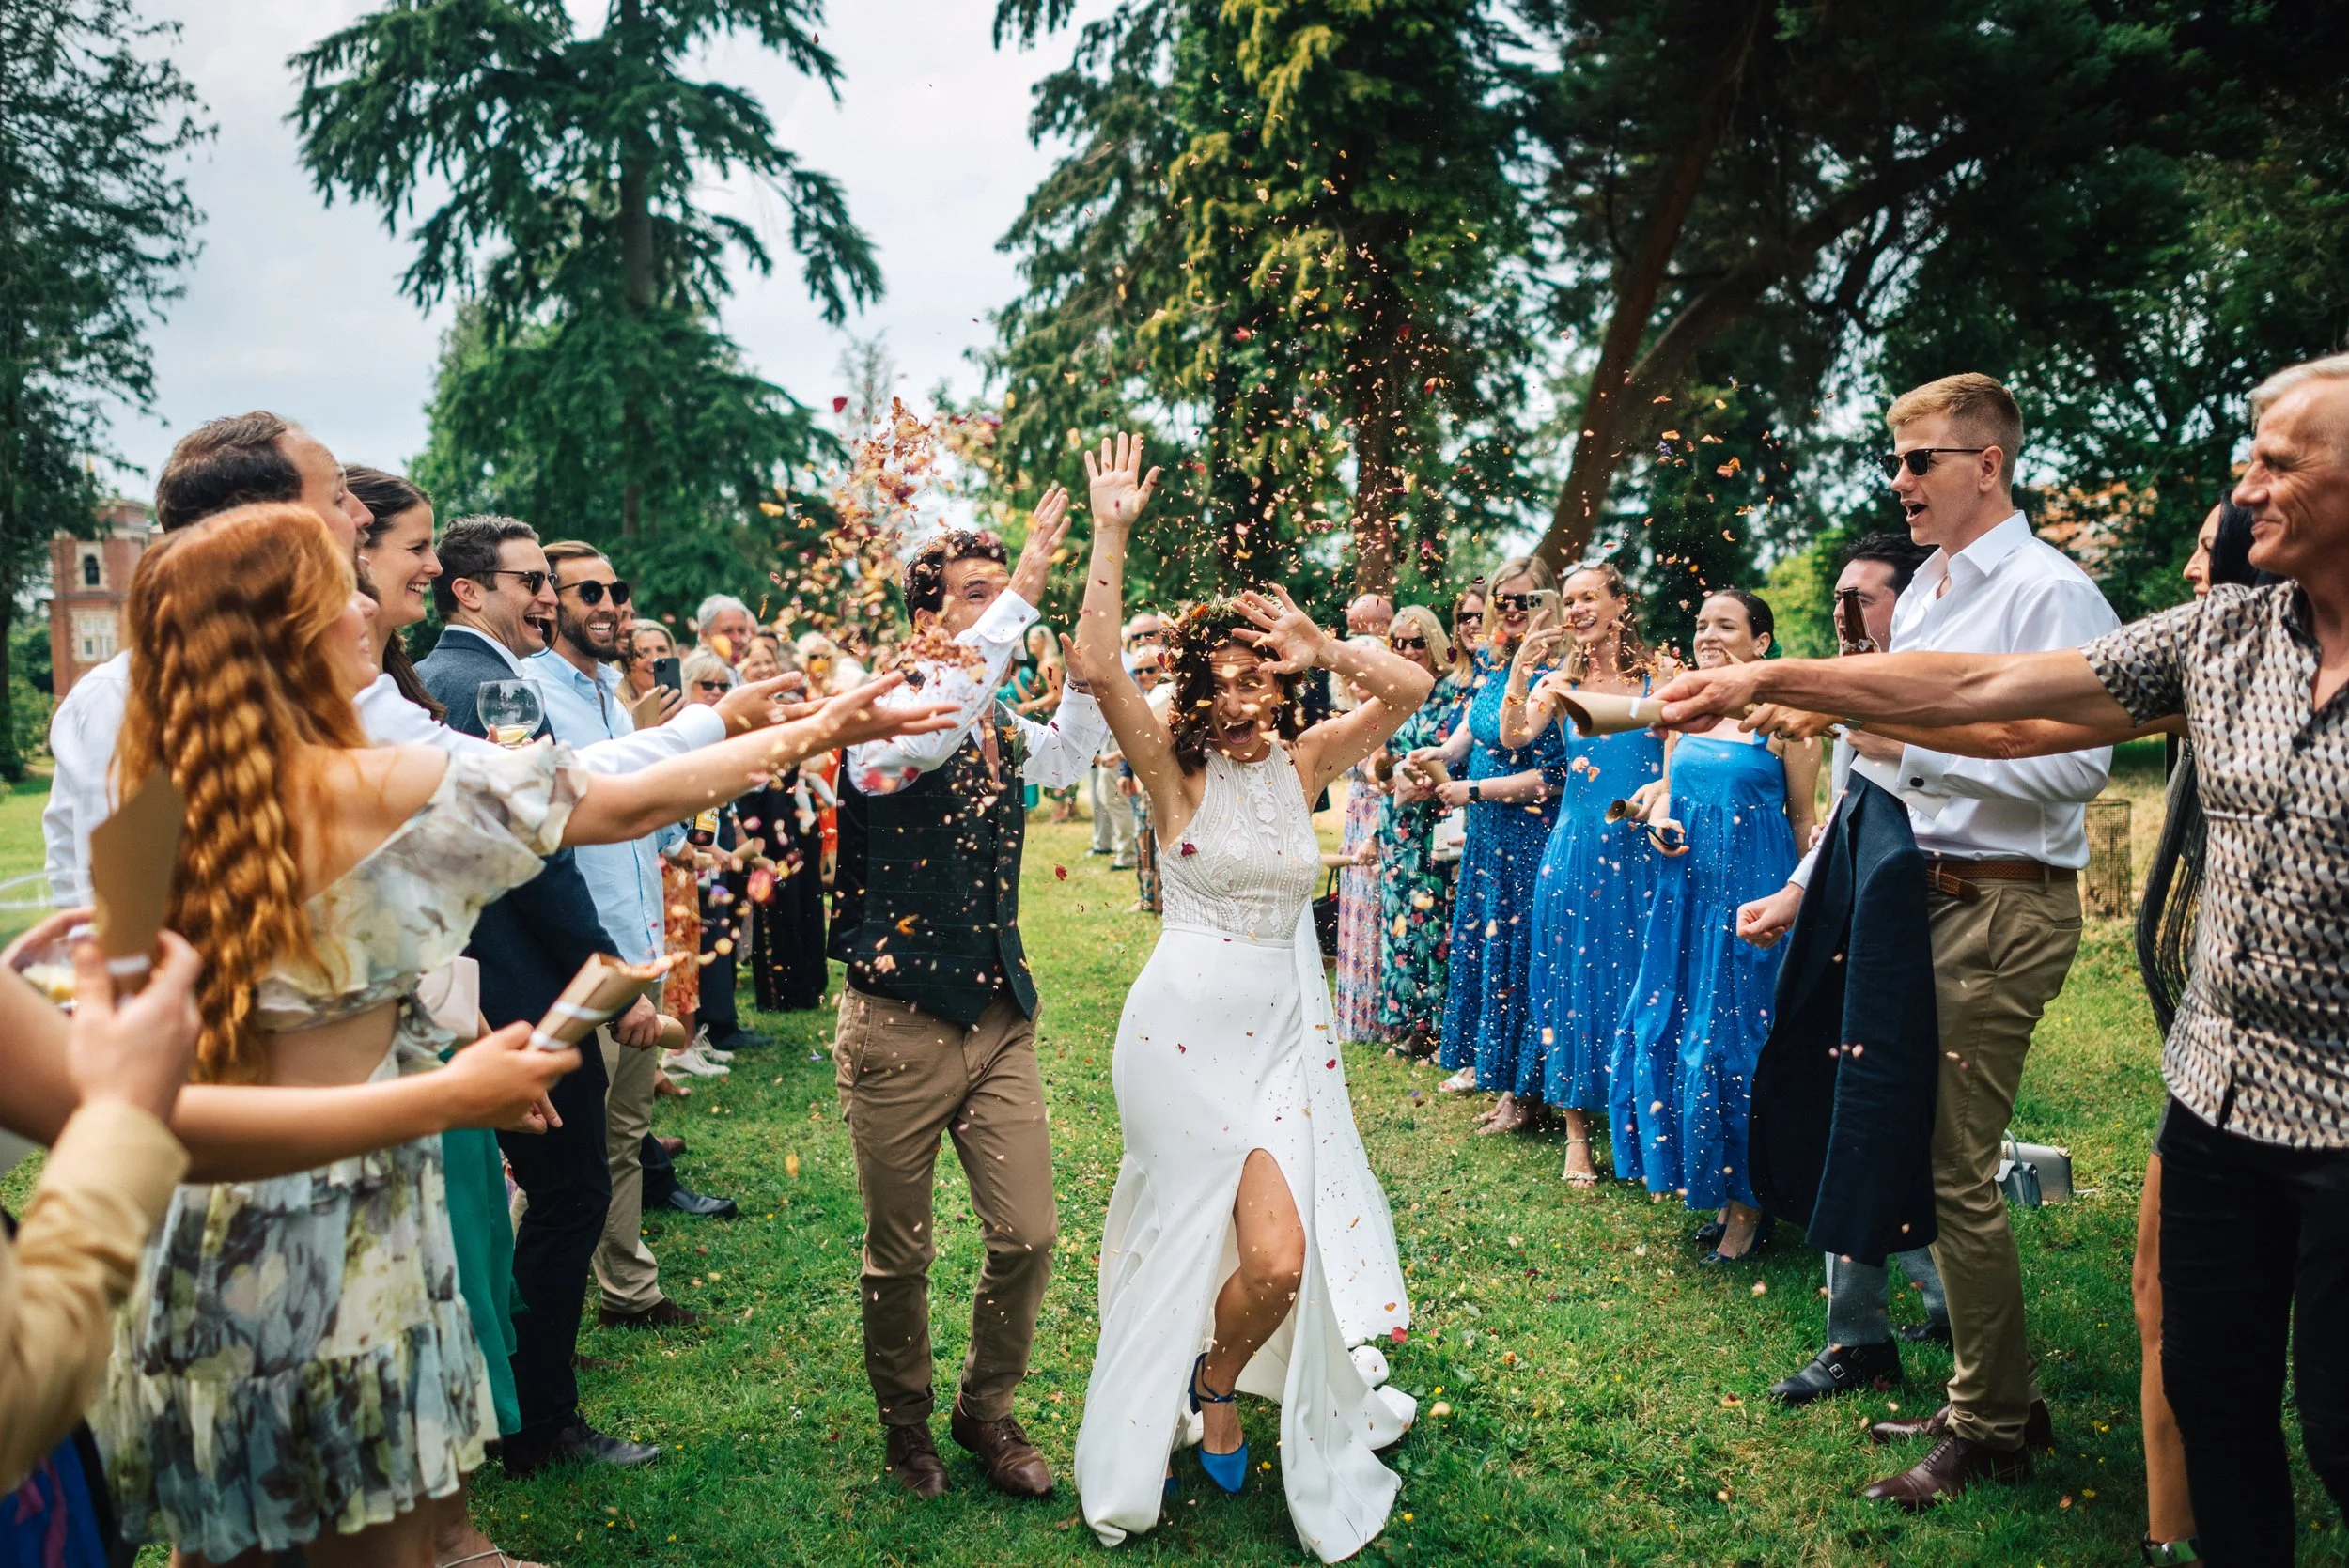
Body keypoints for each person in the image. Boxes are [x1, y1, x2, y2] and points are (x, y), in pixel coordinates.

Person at [93, 503, 950, 1564]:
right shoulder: (346, 781)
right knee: (364, 1541)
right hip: (336, 1224)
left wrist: (781, 728)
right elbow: (597, 805)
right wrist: (820, 731)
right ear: (283, 631)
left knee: (233, 1537)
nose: (366, 610)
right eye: (338, 591)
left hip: (208, 1232)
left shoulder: (146, 809)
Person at [1663, 357, 2349, 1557]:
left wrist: (1853, 712)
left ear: (1988, 461)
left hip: (2047, 930)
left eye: (2277, 462)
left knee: (1958, 1164)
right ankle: (1963, 1383)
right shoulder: (2178, 625)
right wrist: (1798, 742)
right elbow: (1939, 717)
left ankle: (1993, 1409)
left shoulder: (2051, 587)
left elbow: (2059, 760)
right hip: (2130, 1043)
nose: (2243, 494)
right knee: (2201, 1378)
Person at [1067, 436, 1423, 1561]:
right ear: (1196, 689)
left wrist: (1328, 641)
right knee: (1181, 1239)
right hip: (1175, 1037)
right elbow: (1093, 665)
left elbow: (1414, 687)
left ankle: (1213, 1375)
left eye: (1257, 672)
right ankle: (1138, 1438)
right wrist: (1111, 533)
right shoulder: (1172, 773)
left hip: (1280, 1038)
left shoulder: (1309, 762)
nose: (1238, 693)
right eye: (1218, 677)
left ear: (1280, 678)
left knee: (1277, 1259)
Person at [828, 480, 1103, 1502]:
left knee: (1028, 1233)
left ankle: (985, 1407)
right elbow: (932, 735)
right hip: (897, 1019)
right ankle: (905, 1427)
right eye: (976, 595)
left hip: (998, 1014)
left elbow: (1070, 759)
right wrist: (1026, 581)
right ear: (926, 615)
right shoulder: (882, 707)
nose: (1000, 612)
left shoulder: (991, 721)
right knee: (899, 1254)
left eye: (1003, 591)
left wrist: (1078, 678)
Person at [1759, 531, 1954, 1407]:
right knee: (1853, 1109)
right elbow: (1845, 812)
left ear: (1907, 605)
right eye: (1837, 595)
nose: (1844, 615)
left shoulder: (1932, 686)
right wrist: (1793, 895)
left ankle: (1950, 1298)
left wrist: (1852, 718)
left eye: (1862, 599)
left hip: (1929, 924)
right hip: (1850, 920)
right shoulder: (1852, 695)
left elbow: (1942, 799)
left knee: (1915, 1122)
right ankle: (1862, 1336)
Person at [42, 411, 370, 905]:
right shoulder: (123, 700)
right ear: (268, 528)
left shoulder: (331, 664)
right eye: (339, 496)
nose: (363, 515)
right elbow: (119, 909)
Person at [1614, 590, 1818, 1259]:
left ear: (1761, 642)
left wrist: (1791, 905)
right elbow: (1670, 789)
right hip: (1686, 895)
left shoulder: (1783, 720)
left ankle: (1750, 1207)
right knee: (1677, 1029)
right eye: (1700, 623)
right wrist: (1660, 825)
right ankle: (1714, 1180)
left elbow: (1801, 822)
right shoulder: (1685, 707)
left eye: (1725, 625)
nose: (1707, 635)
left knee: (1737, 1042)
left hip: (1750, 895)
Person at [1502, 563, 1666, 1187]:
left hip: (1643, 848)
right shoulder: (1558, 682)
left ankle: (1639, 1118)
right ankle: (1577, 1132)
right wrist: (1521, 669)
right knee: (1573, 982)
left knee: (1639, 982)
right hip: (1575, 849)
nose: (1575, 610)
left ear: (1621, 603)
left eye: (1588, 597)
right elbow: (1514, 733)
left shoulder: (1662, 674)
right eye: (1568, 601)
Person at [1416, 557, 1567, 1131]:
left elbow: (1553, 776)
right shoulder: (1491, 661)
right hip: (1487, 836)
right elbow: (1470, 731)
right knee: (1489, 954)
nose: (1509, 610)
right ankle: (1505, 1080)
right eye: (1503, 598)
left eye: (1523, 600)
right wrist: (1437, 755)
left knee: (1522, 957)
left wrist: (1472, 789)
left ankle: (1528, 1094)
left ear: (1547, 605)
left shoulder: (1555, 672)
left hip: (1533, 833)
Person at [1376, 606, 1470, 1055]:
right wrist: (1390, 773)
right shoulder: (1390, 696)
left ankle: (1443, 1025)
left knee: (1439, 924)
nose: (1408, 651)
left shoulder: (1455, 694)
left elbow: (1467, 756)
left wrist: (1435, 780)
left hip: (1443, 822)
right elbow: (1376, 762)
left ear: (1434, 645)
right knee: (1403, 923)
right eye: (1398, 643)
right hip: (1400, 828)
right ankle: (1413, 1023)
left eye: (1417, 642)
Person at [1330, 638, 1394, 1043]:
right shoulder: (1355, 715)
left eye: (1363, 674)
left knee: (1373, 918)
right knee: (1355, 915)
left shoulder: (1382, 719)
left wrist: (1373, 836)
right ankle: (1355, 1018)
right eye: (1349, 676)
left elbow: (1381, 778)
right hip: (1354, 818)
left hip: (1377, 821)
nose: (1356, 683)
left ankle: (1374, 1019)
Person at [695, 593, 757, 664]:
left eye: (741, 630)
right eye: (727, 631)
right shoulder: (698, 673)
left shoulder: (745, 669)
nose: (737, 639)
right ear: (704, 634)